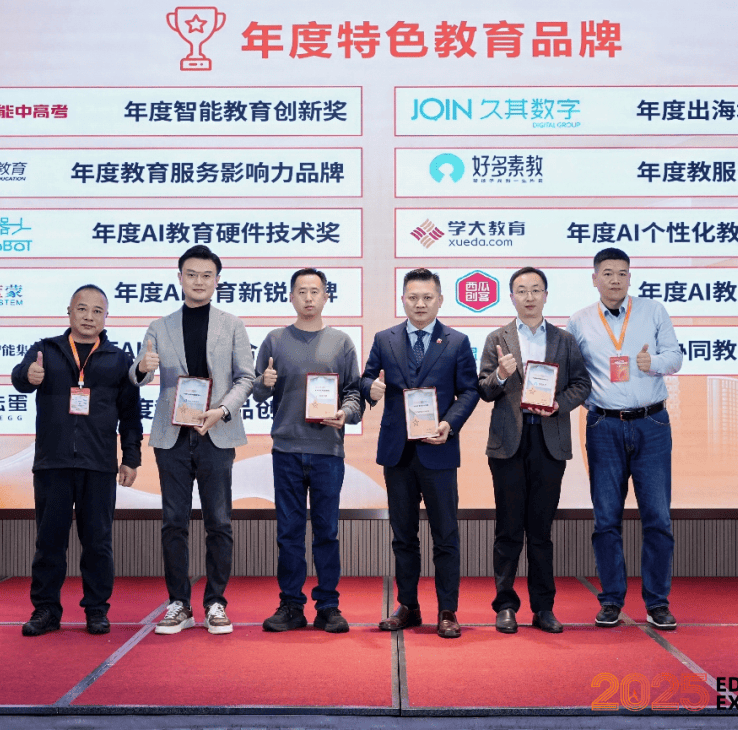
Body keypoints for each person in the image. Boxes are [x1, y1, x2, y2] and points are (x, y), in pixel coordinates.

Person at [130, 245, 254, 635]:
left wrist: (223, 410)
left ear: (217, 281)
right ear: (179, 278)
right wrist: (142, 366)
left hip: (216, 431)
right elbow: (141, 376)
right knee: (173, 522)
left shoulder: (232, 325)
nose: (199, 281)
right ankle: (179, 604)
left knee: (219, 521)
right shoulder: (159, 326)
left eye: (206, 275)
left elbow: (246, 378)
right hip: (173, 435)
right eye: (191, 274)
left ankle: (216, 602)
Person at [10, 285, 142, 637]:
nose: (88, 317)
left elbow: (131, 415)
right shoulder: (46, 350)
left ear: (106, 317)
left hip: (98, 464)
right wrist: (27, 376)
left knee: (98, 543)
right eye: (82, 309)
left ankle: (96, 610)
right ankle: (46, 610)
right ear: (68, 312)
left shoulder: (119, 360)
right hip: (52, 463)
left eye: (97, 311)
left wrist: (131, 458)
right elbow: (20, 378)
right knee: (49, 542)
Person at [566, 248, 682, 631]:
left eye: (622, 273)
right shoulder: (579, 321)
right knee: (606, 519)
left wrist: (655, 363)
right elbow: (572, 373)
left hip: (652, 425)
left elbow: (676, 356)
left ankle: (658, 603)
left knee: (658, 518)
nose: (615, 279)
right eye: (607, 273)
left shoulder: (653, 311)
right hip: (604, 426)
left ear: (630, 277)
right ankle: (612, 600)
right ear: (594, 278)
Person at [361, 268, 480, 639]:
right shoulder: (385, 339)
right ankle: (408, 606)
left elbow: (470, 391)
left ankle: (447, 610)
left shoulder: (457, 342)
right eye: (413, 297)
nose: (420, 304)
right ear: (403, 300)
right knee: (403, 536)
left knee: (445, 535)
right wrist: (370, 389)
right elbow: (366, 379)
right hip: (397, 452)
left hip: (437, 449)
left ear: (440, 300)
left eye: (428, 297)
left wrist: (450, 423)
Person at [477, 267, 590, 634]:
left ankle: (544, 608)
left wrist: (558, 404)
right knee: (508, 529)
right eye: (522, 290)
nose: (529, 297)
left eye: (535, 290)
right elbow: (484, 389)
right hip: (508, 443)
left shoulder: (564, 340)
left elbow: (581, 384)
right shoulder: (497, 338)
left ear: (545, 295)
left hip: (548, 441)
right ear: (511, 297)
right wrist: (501, 374)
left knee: (541, 532)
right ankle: (505, 606)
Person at [251, 268, 363, 633]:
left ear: (326, 296)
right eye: (302, 291)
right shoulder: (274, 340)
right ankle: (291, 605)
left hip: (327, 450)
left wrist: (346, 413)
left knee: (327, 532)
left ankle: (328, 606)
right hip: (286, 449)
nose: (309, 297)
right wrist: (264, 382)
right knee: (289, 532)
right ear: (291, 297)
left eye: (315, 291)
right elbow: (259, 392)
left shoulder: (341, 342)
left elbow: (354, 392)